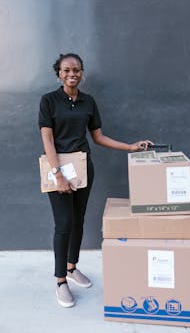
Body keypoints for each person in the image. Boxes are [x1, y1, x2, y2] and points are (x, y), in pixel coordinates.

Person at [38, 53, 152, 308]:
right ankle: (60, 282)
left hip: (83, 168)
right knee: (64, 224)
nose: (72, 74)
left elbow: (98, 137)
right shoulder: (49, 101)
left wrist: (130, 147)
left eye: (76, 70)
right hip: (58, 169)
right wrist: (58, 174)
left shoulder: (88, 102)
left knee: (78, 220)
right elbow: (47, 140)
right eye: (66, 70)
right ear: (59, 73)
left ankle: (71, 267)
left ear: (82, 73)